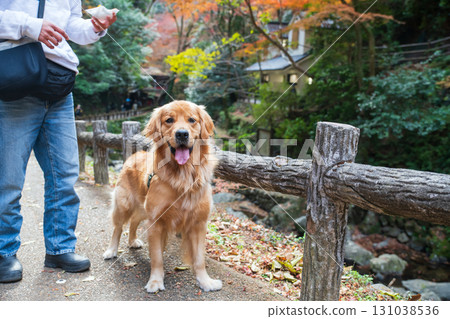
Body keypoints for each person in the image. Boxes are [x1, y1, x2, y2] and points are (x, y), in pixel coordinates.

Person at [0, 1, 117, 283]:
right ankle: (3, 252)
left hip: (60, 86)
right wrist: (30, 25)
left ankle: (60, 248)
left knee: (64, 175)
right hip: (18, 77)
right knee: (9, 179)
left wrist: (95, 28)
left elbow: (71, 27)